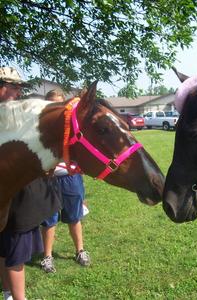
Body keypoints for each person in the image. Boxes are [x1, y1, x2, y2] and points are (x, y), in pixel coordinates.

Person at [0, 67, 61, 300]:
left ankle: (8, 293)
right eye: (14, 87)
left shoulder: (20, 115)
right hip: (15, 196)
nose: (19, 92)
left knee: (9, 246)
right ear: (1, 87)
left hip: (23, 192)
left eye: (20, 87)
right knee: (13, 247)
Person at [40, 89, 90, 274]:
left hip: (71, 179)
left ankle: (80, 251)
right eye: (52, 104)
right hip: (48, 180)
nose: (57, 108)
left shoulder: (73, 127)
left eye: (60, 104)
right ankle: (47, 256)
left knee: (74, 217)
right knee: (48, 221)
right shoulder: (41, 128)